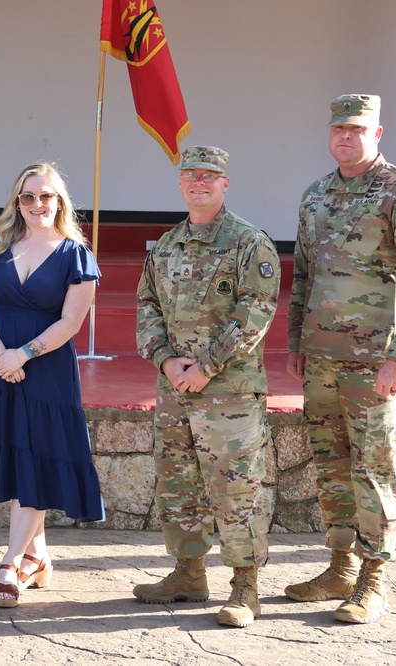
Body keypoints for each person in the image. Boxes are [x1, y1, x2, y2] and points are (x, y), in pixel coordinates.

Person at [284, 94, 396, 624]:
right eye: (338, 128)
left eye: (357, 129)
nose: (345, 137)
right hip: (322, 359)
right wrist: (295, 344)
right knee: (331, 469)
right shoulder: (315, 195)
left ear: (377, 133)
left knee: (374, 472)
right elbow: (303, 275)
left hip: (376, 362)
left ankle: (374, 580)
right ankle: (340, 567)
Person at [134, 146, 280, 628]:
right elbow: (147, 306)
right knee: (179, 487)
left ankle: (245, 588)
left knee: (235, 491)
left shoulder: (247, 241)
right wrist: (167, 360)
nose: (199, 182)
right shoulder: (167, 244)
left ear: (225, 182)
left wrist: (207, 366)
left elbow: (255, 312)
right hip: (175, 389)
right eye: (191, 175)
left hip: (229, 393)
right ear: (180, 184)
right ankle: (188, 574)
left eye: (209, 175)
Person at [0, 162, 105, 608]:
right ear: (16, 202)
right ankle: (37, 557)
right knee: (17, 454)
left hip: (46, 369)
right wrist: (0, 356)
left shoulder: (75, 253)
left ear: (59, 201)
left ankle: (9, 563)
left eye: (46, 196)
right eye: (28, 196)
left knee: (36, 455)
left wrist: (23, 354)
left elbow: (72, 321)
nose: (37, 204)